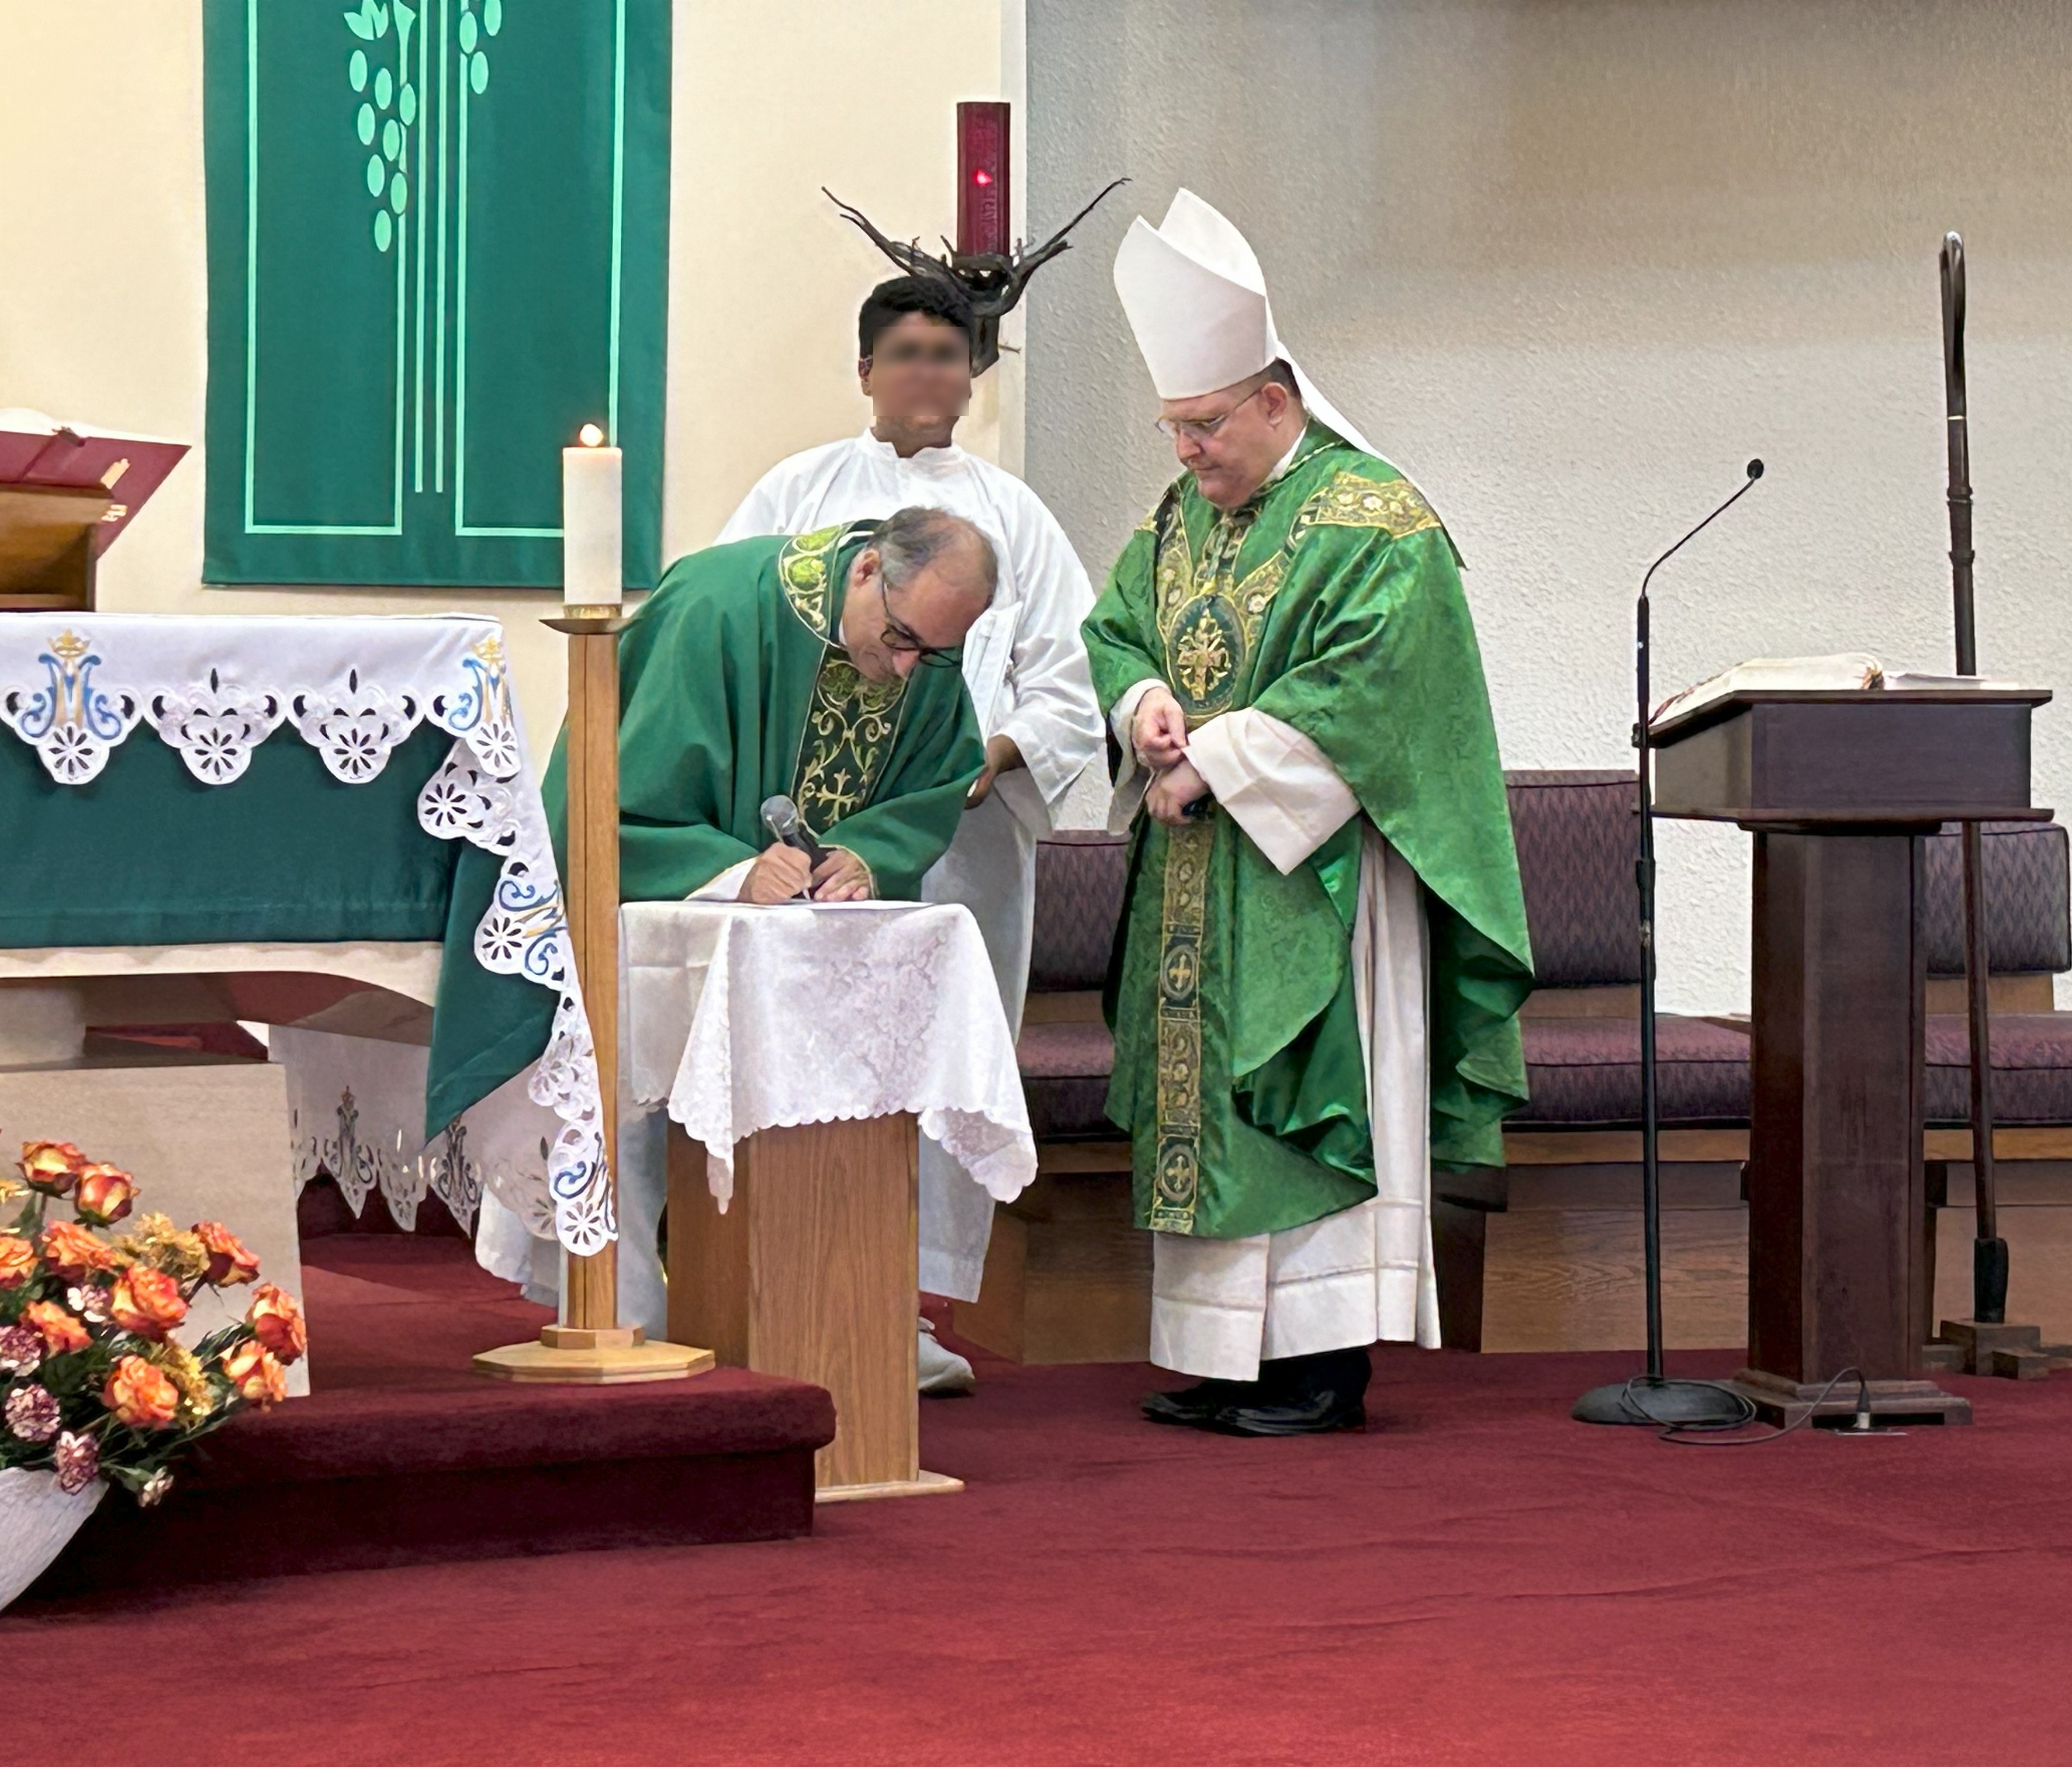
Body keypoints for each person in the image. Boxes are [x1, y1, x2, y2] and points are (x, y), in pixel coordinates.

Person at [1082, 190, 1533, 1436]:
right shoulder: (1179, 520)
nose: (1184, 453)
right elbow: (1114, 628)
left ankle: (1325, 1365)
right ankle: (1231, 1353)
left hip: (1315, 877)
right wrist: (1146, 708)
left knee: (1303, 1087)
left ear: (1275, 402)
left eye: (1204, 426)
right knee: (1208, 1103)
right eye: (1172, 427)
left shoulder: (1378, 520)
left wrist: (1213, 762)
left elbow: (1376, 687)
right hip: (1197, 870)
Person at [720, 275, 1104, 1394]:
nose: (932, 373)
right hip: (807, 837)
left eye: (950, 353)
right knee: (802, 1060)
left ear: (972, 376)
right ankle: (773, 1281)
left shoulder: (1014, 513)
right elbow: (731, 626)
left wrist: (983, 760)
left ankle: (912, 1315)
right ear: (866, 371)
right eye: (909, 353)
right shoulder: (796, 490)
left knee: (932, 1067)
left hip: (961, 850)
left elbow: (1070, 681)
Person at [476, 505, 998, 1315]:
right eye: (900, 640)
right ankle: (623, 1315)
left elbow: (938, 778)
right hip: (660, 915)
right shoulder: (713, 607)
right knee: (630, 1106)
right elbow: (608, 805)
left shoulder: (922, 650)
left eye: (935, 654)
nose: (905, 670)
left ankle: (818, 1314)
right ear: (865, 571)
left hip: (800, 943)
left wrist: (869, 851)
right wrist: (732, 871)